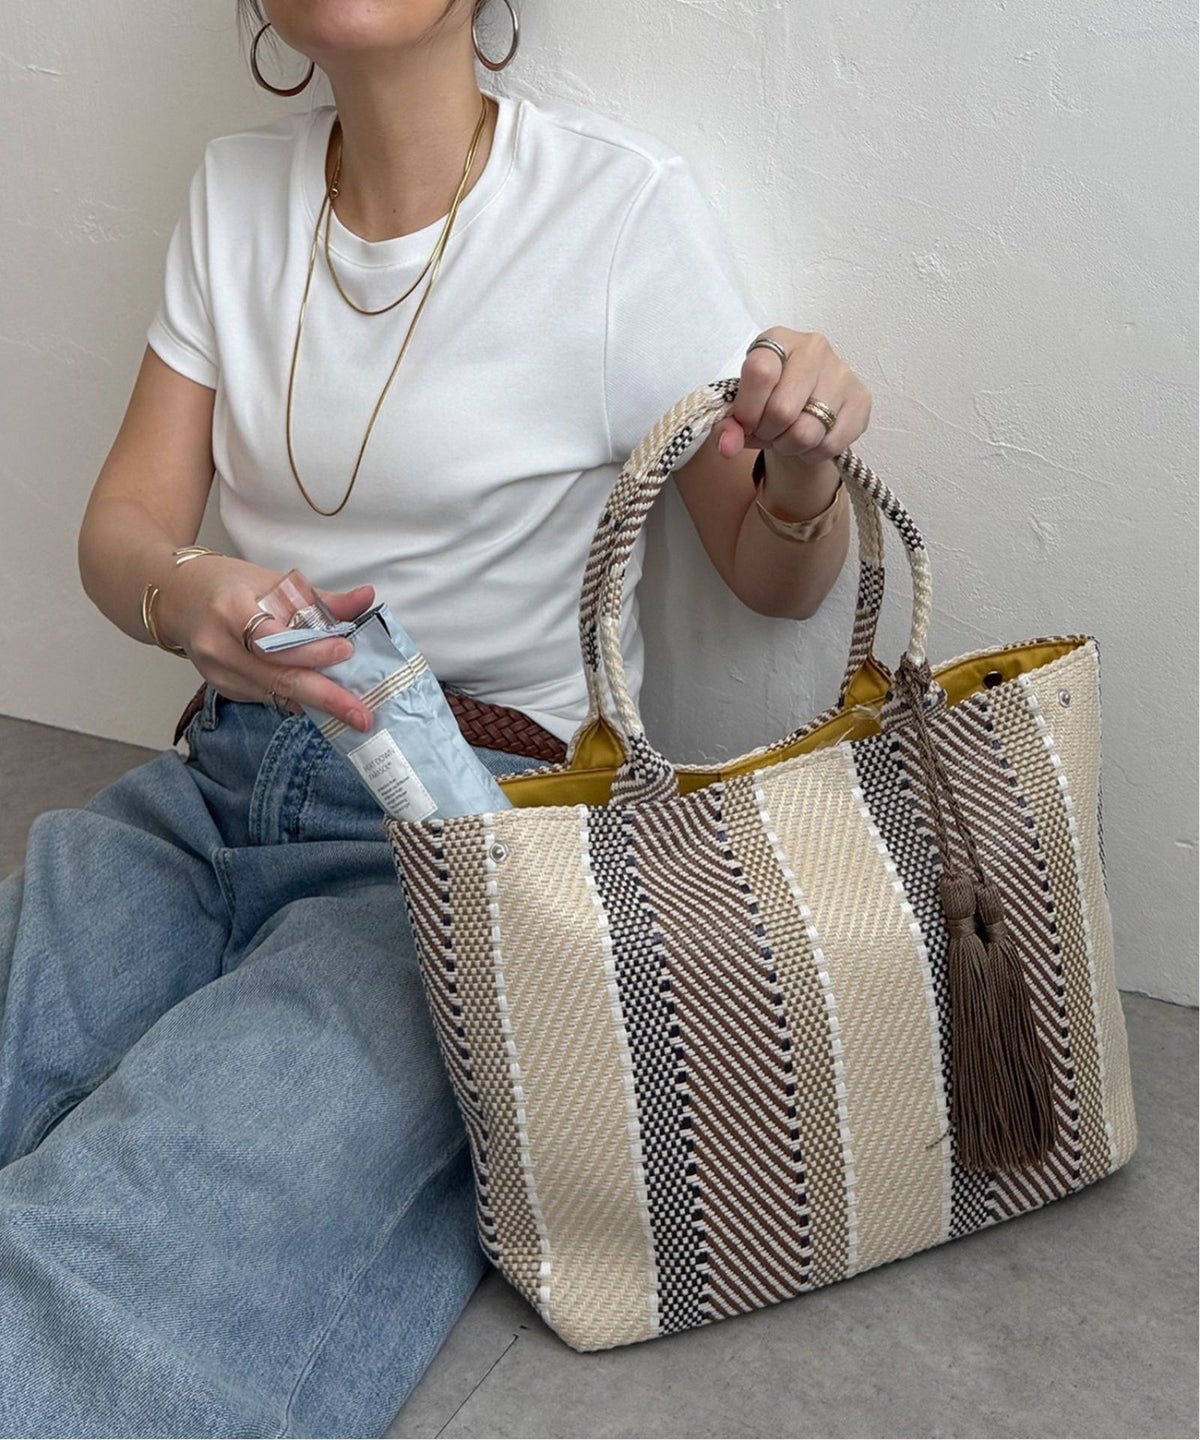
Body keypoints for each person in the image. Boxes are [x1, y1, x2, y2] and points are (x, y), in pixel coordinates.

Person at [0, 0, 872, 1433]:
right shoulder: (234, 193)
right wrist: (187, 589)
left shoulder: (618, 213)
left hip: (462, 840)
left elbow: (777, 580)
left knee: (122, 1237)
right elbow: (125, 528)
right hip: (215, 785)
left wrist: (803, 472)